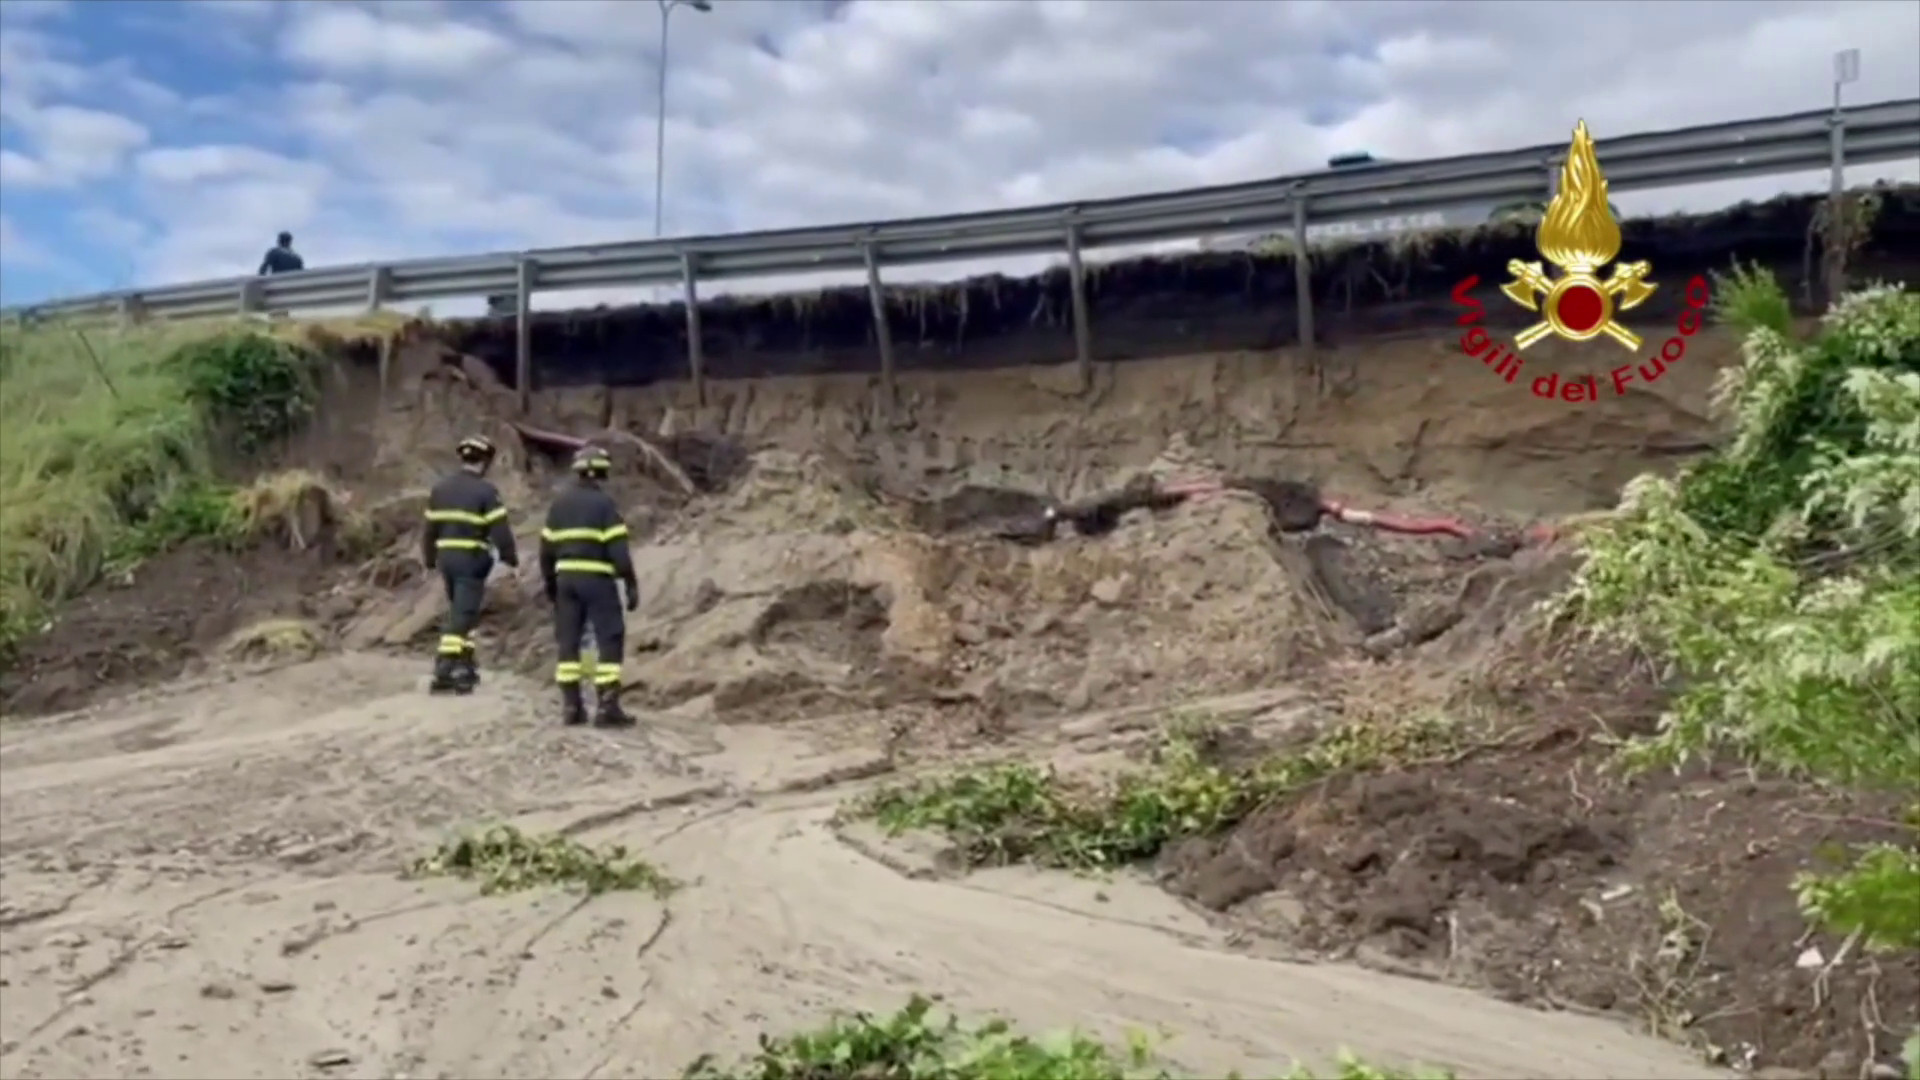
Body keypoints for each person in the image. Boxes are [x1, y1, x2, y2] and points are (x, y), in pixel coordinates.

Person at [539, 445, 639, 727]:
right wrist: (630, 583)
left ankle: (572, 706)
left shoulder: (558, 505)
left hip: (565, 581)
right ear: (601, 471)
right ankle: (607, 706)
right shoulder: (604, 505)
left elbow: (546, 550)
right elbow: (619, 550)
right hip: (597, 581)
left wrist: (550, 584)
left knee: (568, 640)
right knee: (609, 636)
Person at [422, 435, 518, 694]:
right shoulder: (485, 491)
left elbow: (430, 530)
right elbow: (500, 529)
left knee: (464, 611)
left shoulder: (440, 489)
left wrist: (429, 559)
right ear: (485, 462)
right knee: (462, 616)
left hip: (446, 559)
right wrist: (510, 559)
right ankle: (444, 668)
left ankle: (465, 667)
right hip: (471, 560)